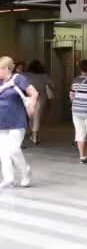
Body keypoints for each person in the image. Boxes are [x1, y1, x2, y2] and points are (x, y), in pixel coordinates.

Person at [0, 56, 38, 188]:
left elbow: (34, 93)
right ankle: (8, 178)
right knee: (3, 152)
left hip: (17, 120)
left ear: (7, 68)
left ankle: (25, 172)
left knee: (14, 150)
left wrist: (32, 108)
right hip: (2, 121)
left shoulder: (19, 79)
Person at [25, 60, 53, 145]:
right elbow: (53, 85)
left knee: (30, 117)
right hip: (41, 97)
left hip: (28, 97)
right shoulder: (44, 76)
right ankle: (35, 136)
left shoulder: (26, 75)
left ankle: (33, 133)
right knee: (37, 116)